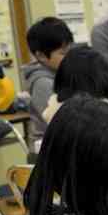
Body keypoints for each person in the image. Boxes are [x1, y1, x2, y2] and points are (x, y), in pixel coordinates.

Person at [22, 17, 73, 152]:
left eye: (70, 50)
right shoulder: (42, 83)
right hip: (47, 151)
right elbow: (64, 123)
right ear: (41, 56)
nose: (70, 57)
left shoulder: (63, 72)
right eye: (63, 53)